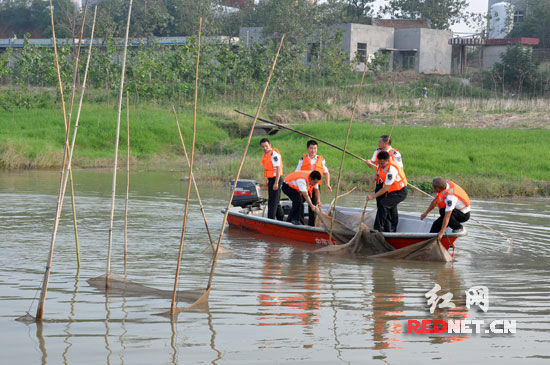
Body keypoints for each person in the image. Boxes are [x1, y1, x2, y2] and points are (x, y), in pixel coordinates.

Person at [366, 151, 408, 232]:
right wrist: (377, 176)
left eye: (382, 163)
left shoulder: (391, 170)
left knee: (383, 204)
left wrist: (373, 196)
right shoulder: (380, 165)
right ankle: (388, 229)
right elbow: (380, 172)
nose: (380, 165)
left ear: (388, 161)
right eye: (379, 163)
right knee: (389, 208)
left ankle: (378, 228)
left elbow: (385, 188)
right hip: (392, 192)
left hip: (400, 192)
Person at [420, 177, 471, 241]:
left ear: (437, 188)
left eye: (434, 187)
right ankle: (430, 242)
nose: (434, 189)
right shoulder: (444, 186)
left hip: (463, 215)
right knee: (435, 225)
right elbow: (435, 201)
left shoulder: (450, 197)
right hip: (454, 211)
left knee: (443, 211)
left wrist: (442, 232)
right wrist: (426, 213)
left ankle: (458, 227)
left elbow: (447, 215)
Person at [296, 140, 332, 226]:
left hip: (315, 185)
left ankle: (311, 225)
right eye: (311, 148)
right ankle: (300, 223)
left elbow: (326, 172)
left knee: (314, 205)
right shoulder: (302, 159)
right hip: (304, 185)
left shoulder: (321, 159)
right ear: (307, 149)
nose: (313, 150)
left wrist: (328, 184)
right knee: (299, 202)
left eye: (315, 148)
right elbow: (297, 172)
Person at [260, 138, 284, 220]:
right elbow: (269, 169)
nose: (265, 148)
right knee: (275, 201)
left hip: (276, 179)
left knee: (272, 202)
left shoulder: (274, 155)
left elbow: (278, 169)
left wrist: (276, 183)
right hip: (271, 179)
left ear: (270, 145)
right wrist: (268, 181)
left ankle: (270, 220)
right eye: (263, 147)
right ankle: (280, 218)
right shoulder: (266, 155)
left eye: (266, 146)